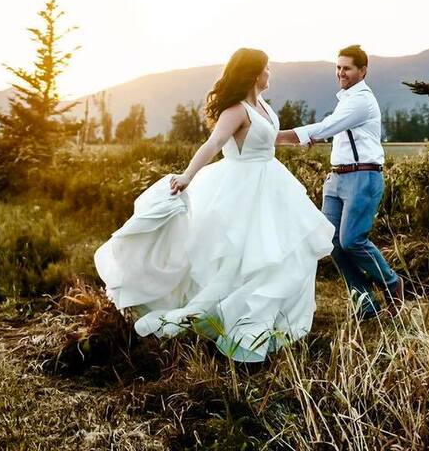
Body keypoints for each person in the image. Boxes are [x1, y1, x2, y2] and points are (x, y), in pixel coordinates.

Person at [94, 48, 334, 362]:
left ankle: (270, 324)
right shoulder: (235, 110)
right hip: (241, 187)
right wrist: (187, 176)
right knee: (242, 257)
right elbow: (213, 144)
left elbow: (271, 137)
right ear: (253, 73)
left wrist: (303, 137)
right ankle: (234, 324)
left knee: (282, 254)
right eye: (266, 68)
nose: (269, 73)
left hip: (271, 184)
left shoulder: (259, 104)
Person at [278, 44, 405, 319]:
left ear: (363, 71)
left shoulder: (361, 101)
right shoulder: (346, 99)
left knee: (351, 240)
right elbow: (333, 131)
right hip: (337, 178)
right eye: (338, 67)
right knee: (330, 242)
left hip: (363, 176)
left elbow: (326, 128)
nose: (341, 73)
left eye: (346, 68)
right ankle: (365, 301)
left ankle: (392, 283)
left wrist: (275, 137)